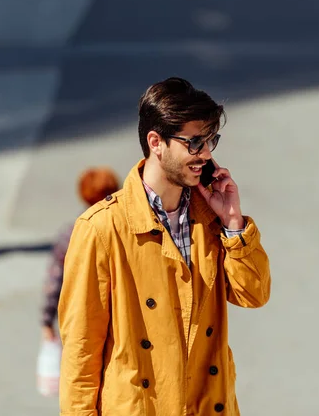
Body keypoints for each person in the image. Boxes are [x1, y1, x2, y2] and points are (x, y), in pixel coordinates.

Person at [58, 77, 272, 415]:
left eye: (210, 140)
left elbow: (254, 293)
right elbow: (80, 355)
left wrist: (233, 224)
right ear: (156, 142)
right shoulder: (102, 229)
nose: (206, 154)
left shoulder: (211, 217)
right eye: (195, 142)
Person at [37, 167, 120, 396]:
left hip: (83, 320)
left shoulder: (71, 234)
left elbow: (54, 280)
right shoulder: (125, 229)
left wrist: (46, 321)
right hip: (120, 319)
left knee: (85, 384)